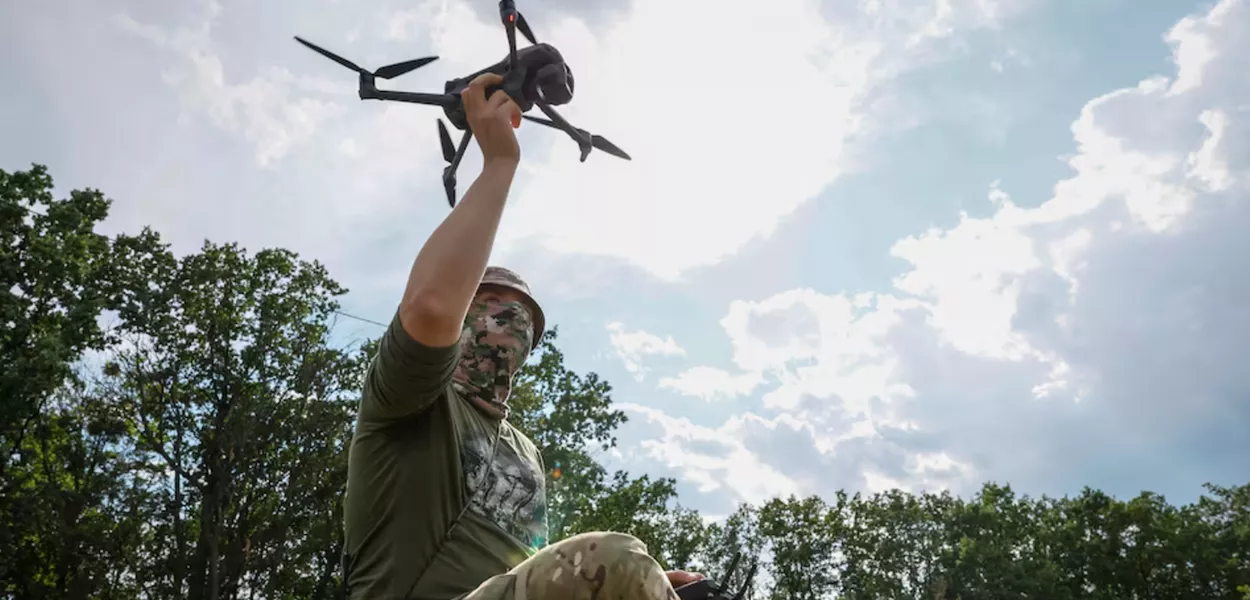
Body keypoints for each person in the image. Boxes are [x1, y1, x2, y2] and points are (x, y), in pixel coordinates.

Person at [341, 71, 704, 600]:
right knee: (616, 557)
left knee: (636, 570)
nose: (508, 324)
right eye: (488, 306)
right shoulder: (410, 398)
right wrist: (500, 163)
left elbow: (528, 576)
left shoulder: (526, 454)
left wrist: (653, 587)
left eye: (523, 318)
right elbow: (431, 306)